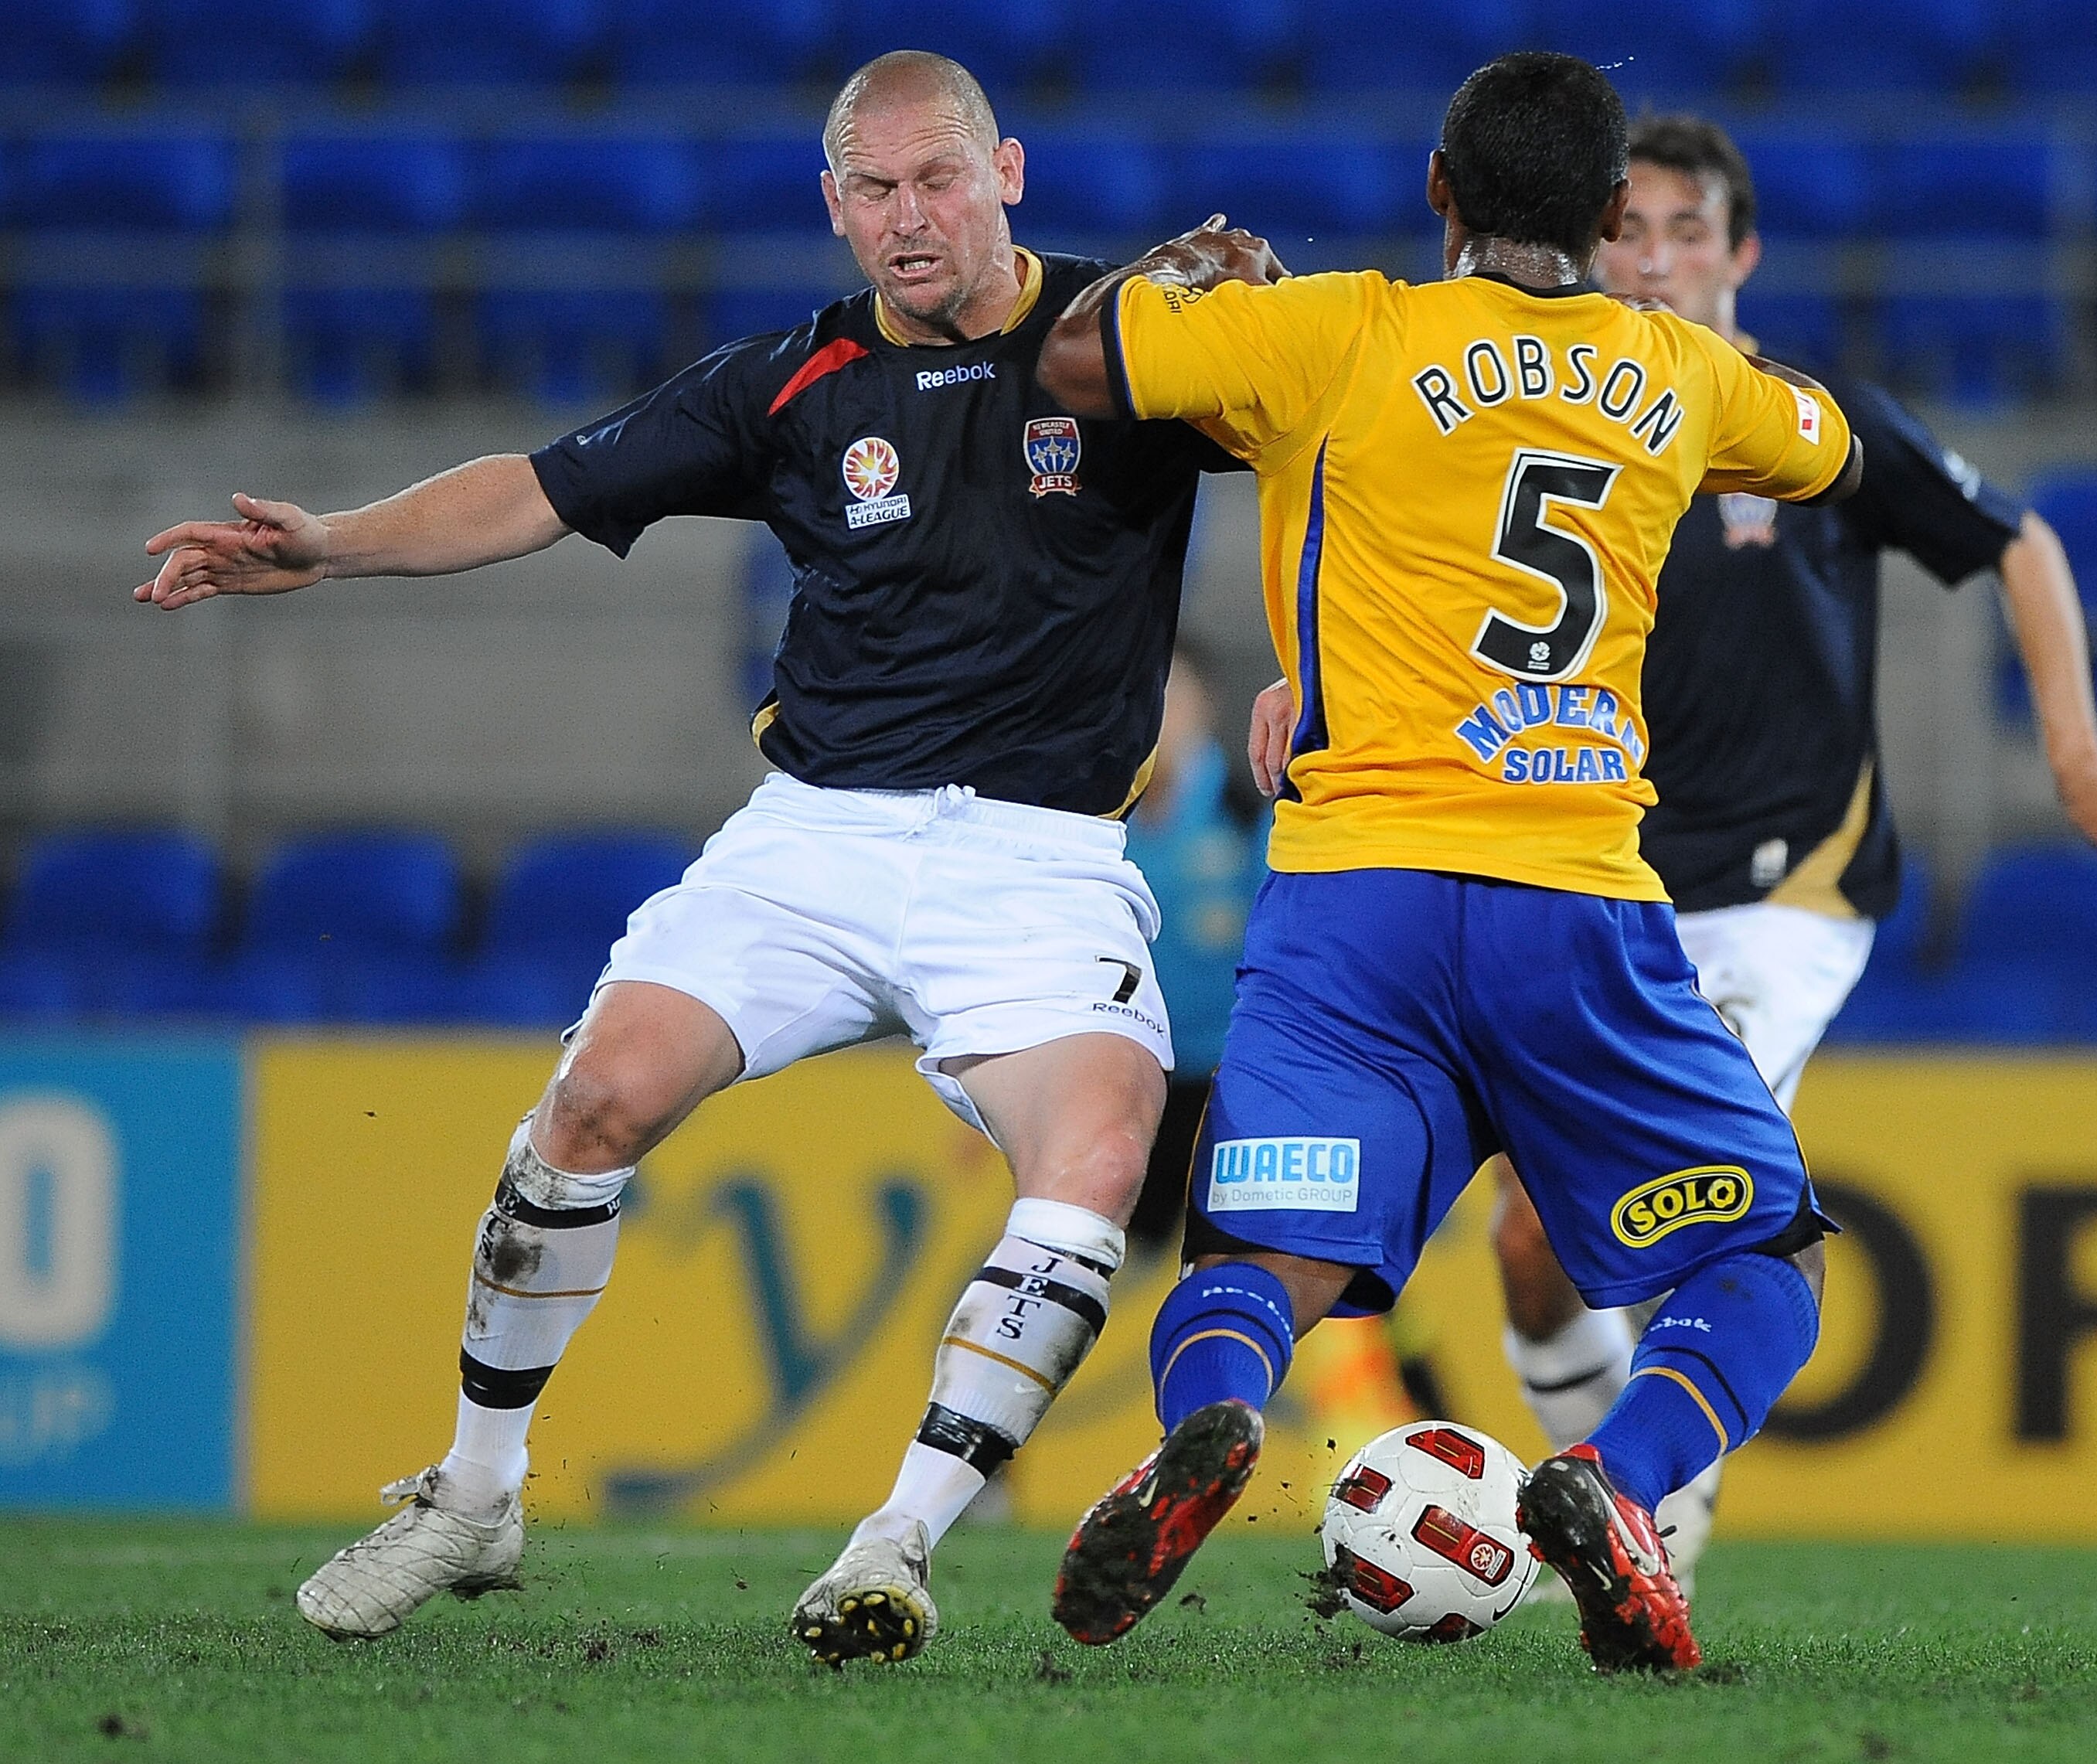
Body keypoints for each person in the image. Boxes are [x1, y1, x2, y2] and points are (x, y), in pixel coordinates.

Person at [134, 51, 1247, 1668]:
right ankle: (477, 1492)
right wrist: (335, 542)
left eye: (937, 178)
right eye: (872, 191)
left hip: (1040, 855)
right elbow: (541, 485)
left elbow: (1333, 442)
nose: (908, 218)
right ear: (832, 205)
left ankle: (894, 1545)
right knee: (591, 1102)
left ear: (1007, 171)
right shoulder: (789, 383)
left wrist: (1300, 642)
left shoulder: (1130, 347)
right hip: (811, 840)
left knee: (1097, 1157)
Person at [1244, 114, 2097, 1594]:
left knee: (1640, 1216)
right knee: (1532, 1258)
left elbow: (2015, 540)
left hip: (1787, 895)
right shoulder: (1564, 414)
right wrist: (1312, 678)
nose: (1655, 260)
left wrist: (2073, 744)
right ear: (1597, 240)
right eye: (1635, 233)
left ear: (1741, 253)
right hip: (1596, 888)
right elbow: (1420, 592)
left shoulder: (1799, 420)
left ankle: (1643, 1518)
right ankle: (1619, 1506)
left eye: (1688, 234)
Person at [1035, 52, 1863, 1674]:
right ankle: (1618, 1486)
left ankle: (1205, 1427)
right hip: (1578, 898)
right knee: (1760, 1254)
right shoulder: (1678, 368)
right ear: (1615, 216)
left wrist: (1192, 268)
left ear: (1439, 192)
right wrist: (1684, 375)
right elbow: (1822, 447)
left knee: (1257, 1257)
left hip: (1358, 899)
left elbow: (1077, 361)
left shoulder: (1331, 328)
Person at [1122, 643, 1265, 1256]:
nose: (1157, 716)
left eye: (1171, 697)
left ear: (1204, 707)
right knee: (1109, 1244)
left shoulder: (1246, 813)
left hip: (1226, 1082)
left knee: (1263, 1249)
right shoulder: (1094, 823)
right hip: (1125, 1074)